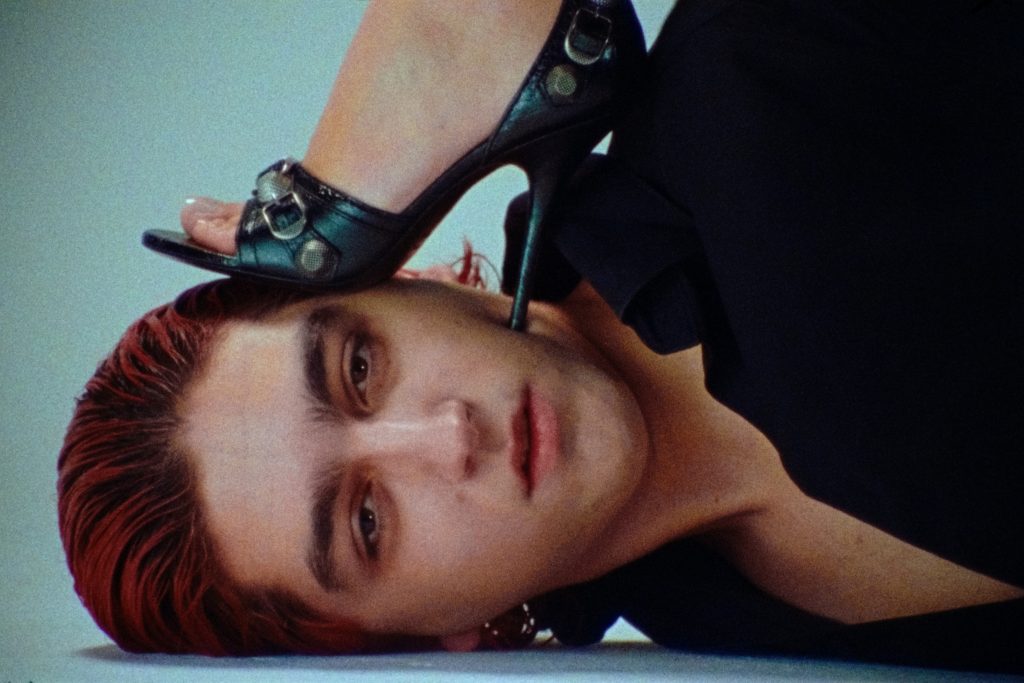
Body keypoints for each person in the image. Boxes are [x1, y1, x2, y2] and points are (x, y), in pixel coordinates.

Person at [59, 0, 1024, 674]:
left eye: (360, 366)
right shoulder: (713, 626)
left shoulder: (763, 77)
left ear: (412, 274)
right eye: (367, 522)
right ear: (434, 635)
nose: (447, 434)